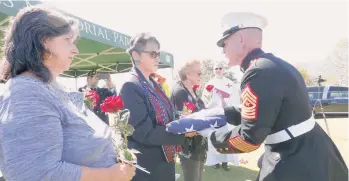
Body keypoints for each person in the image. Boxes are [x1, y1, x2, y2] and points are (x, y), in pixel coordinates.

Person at [200, 12, 348, 181]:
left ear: (240, 40)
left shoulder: (257, 72)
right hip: (309, 150)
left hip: (295, 161)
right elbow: (265, 111)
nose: (223, 50)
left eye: (224, 43)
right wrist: (223, 112)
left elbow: (248, 139)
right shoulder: (273, 65)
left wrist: (211, 135)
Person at [0, 5, 135, 181]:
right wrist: (111, 175)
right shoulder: (26, 93)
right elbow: (36, 175)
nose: (75, 50)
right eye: (67, 40)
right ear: (44, 41)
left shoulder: (49, 89)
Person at [119, 33, 197, 181]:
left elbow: (168, 115)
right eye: (153, 54)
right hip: (147, 166)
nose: (157, 58)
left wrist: (184, 120)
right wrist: (182, 134)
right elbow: (143, 132)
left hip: (163, 160)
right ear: (136, 55)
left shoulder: (154, 83)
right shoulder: (130, 85)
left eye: (159, 53)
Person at [171, 60, 207, 181]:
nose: (200, 75)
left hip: (199, 144)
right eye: (199, 73)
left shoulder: (192, 91)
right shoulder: (179, 92)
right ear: (188, 74)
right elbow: (180, 122)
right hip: (189, 147)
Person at [201, 60, 239, 171]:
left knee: (226, 137)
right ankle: (215, 162)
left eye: (220, 68)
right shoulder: (209, 84)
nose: (218, 70)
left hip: (226, 115)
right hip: (215, 115)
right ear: (213, 70)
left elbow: (234, 98)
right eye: (216, 68)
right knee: (215, 137)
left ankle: (225, 162)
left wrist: (227, 105)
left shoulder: (230, 83)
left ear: (224, 70)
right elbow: (205, 99)